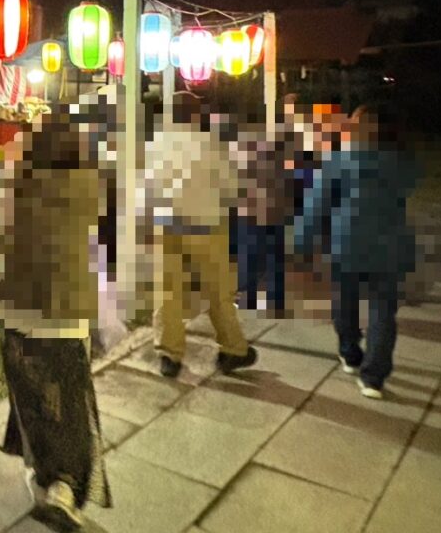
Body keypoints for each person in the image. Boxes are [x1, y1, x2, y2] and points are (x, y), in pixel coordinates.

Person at [0, 111, 111, 530]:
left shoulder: (16, 187)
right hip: (61, 315)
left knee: (31, 400)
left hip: (15, 318)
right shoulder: (84, 190)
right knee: (70, 407)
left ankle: (46, 474)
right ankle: (63, 485)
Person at [294, 104, 418, 399]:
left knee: (344, 301)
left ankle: (350, 354)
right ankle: (373, 378)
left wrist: (302, 241)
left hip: (346, 243)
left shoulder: (339, 161)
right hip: (389, 246)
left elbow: (317, 206)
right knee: (382, 312)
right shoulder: (401, 162)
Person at [147, 93, 257, 378]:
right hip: (206, 225)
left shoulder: (155, 145)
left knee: (167, 293)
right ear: (197, 115)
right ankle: (233, 349)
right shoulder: (212, 145)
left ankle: (169, 354)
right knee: (217, 292)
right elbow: (232, 190)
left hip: (165, 225)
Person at [233, 124, 292, 314]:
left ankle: (247, 296)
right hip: (275, 212)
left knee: (248, 257)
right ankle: (277, 298)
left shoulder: (242, 153)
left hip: (251, 213)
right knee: (275, 257)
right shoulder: (279, 156)